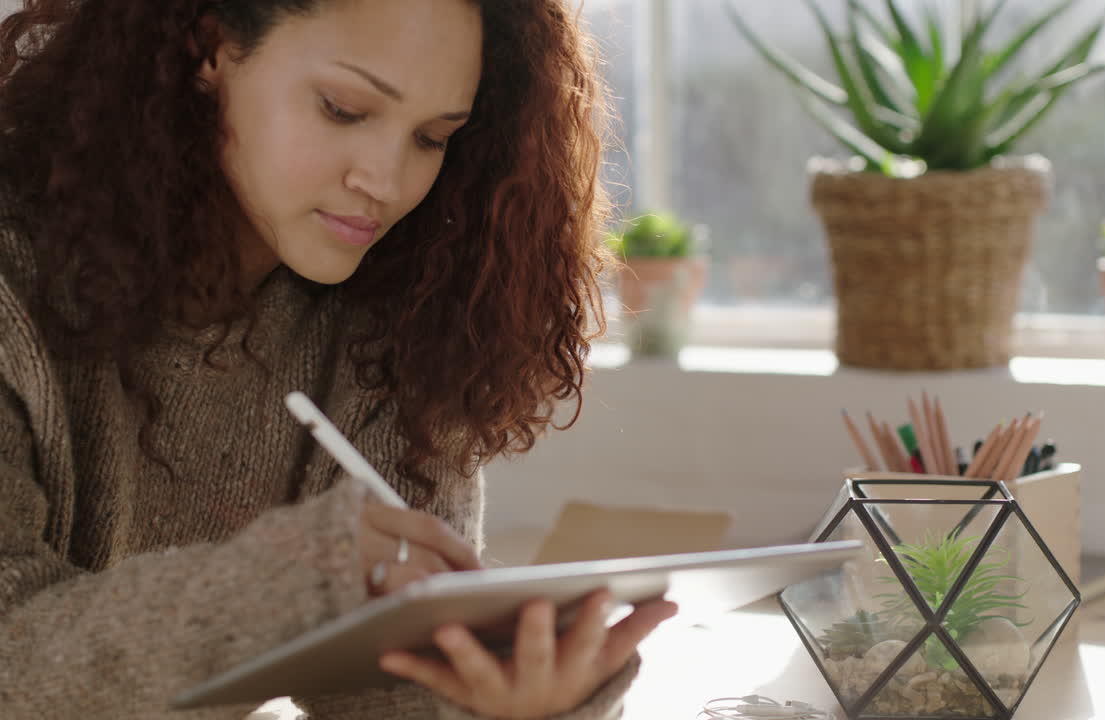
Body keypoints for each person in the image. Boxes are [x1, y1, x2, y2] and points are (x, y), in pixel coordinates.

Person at [0, 0, 677, 718]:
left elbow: (385, 696)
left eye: (432, 137)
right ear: (208, 47)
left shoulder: (401, 319)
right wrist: (281, 583)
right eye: (343, 109)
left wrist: (515, 695)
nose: (385, 182)